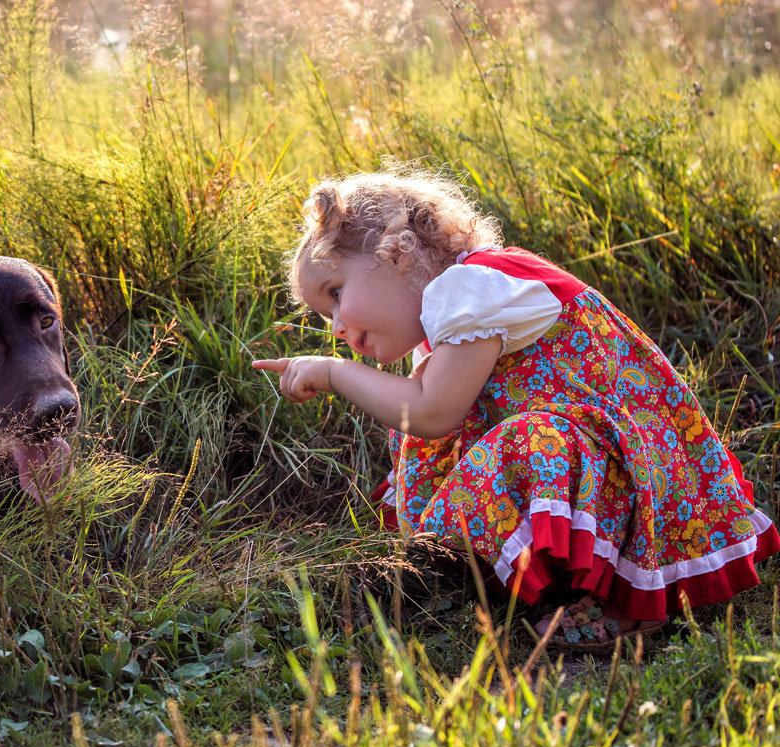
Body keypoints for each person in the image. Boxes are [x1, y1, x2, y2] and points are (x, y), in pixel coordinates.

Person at [253, 169, 779, 651]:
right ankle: (470, 578)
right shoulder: (455, 309)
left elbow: (430, 411)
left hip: (635, 470)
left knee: (518, 439)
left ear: (396, 251)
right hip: (601, 462)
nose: (338, 327)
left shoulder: (471, 288)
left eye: (337, 293)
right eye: (326, 315)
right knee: (434, 445)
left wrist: (334, 370)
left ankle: (611, 595)